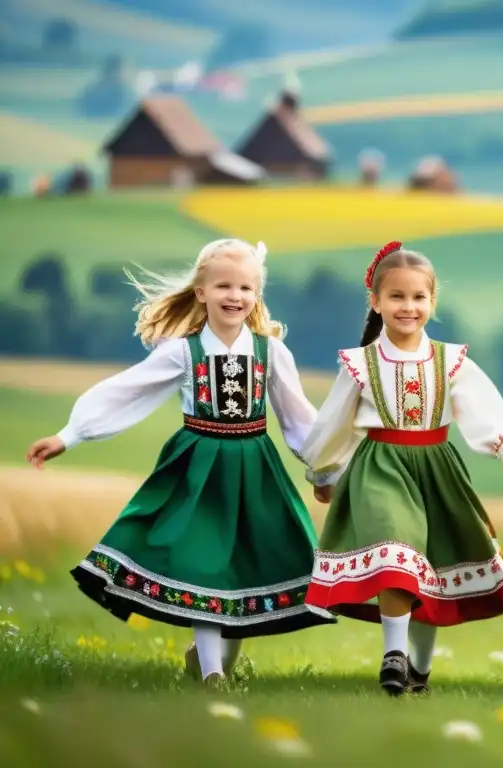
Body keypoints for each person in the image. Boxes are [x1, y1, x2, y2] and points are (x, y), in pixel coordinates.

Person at [26, 238, 333, 689]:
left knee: (246, 568)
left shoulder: (272, 353)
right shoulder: (181, 351)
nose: (235, 296)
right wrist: (69, 435)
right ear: (201, 292)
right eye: (224, 285)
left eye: (246, 287)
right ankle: (212, 675)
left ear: (257, 295)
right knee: (203, 565)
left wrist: (325, 472)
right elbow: (127, 391)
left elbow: (299, 418)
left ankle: (217, 663)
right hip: (197, 471)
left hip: (256, 473)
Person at [299, 241, 503, 696]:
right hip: (380, 466)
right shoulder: (361, 364)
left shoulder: (451, 361)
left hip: (437, 468)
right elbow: (334, 424)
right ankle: (393, 654)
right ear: (376, 301)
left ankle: (419, 670)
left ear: (432, 302)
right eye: (396, 297)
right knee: (396, 547)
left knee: (434, 571)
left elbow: (485, 412)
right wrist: (325, 473)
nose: (408, 307)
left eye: (417, 297)